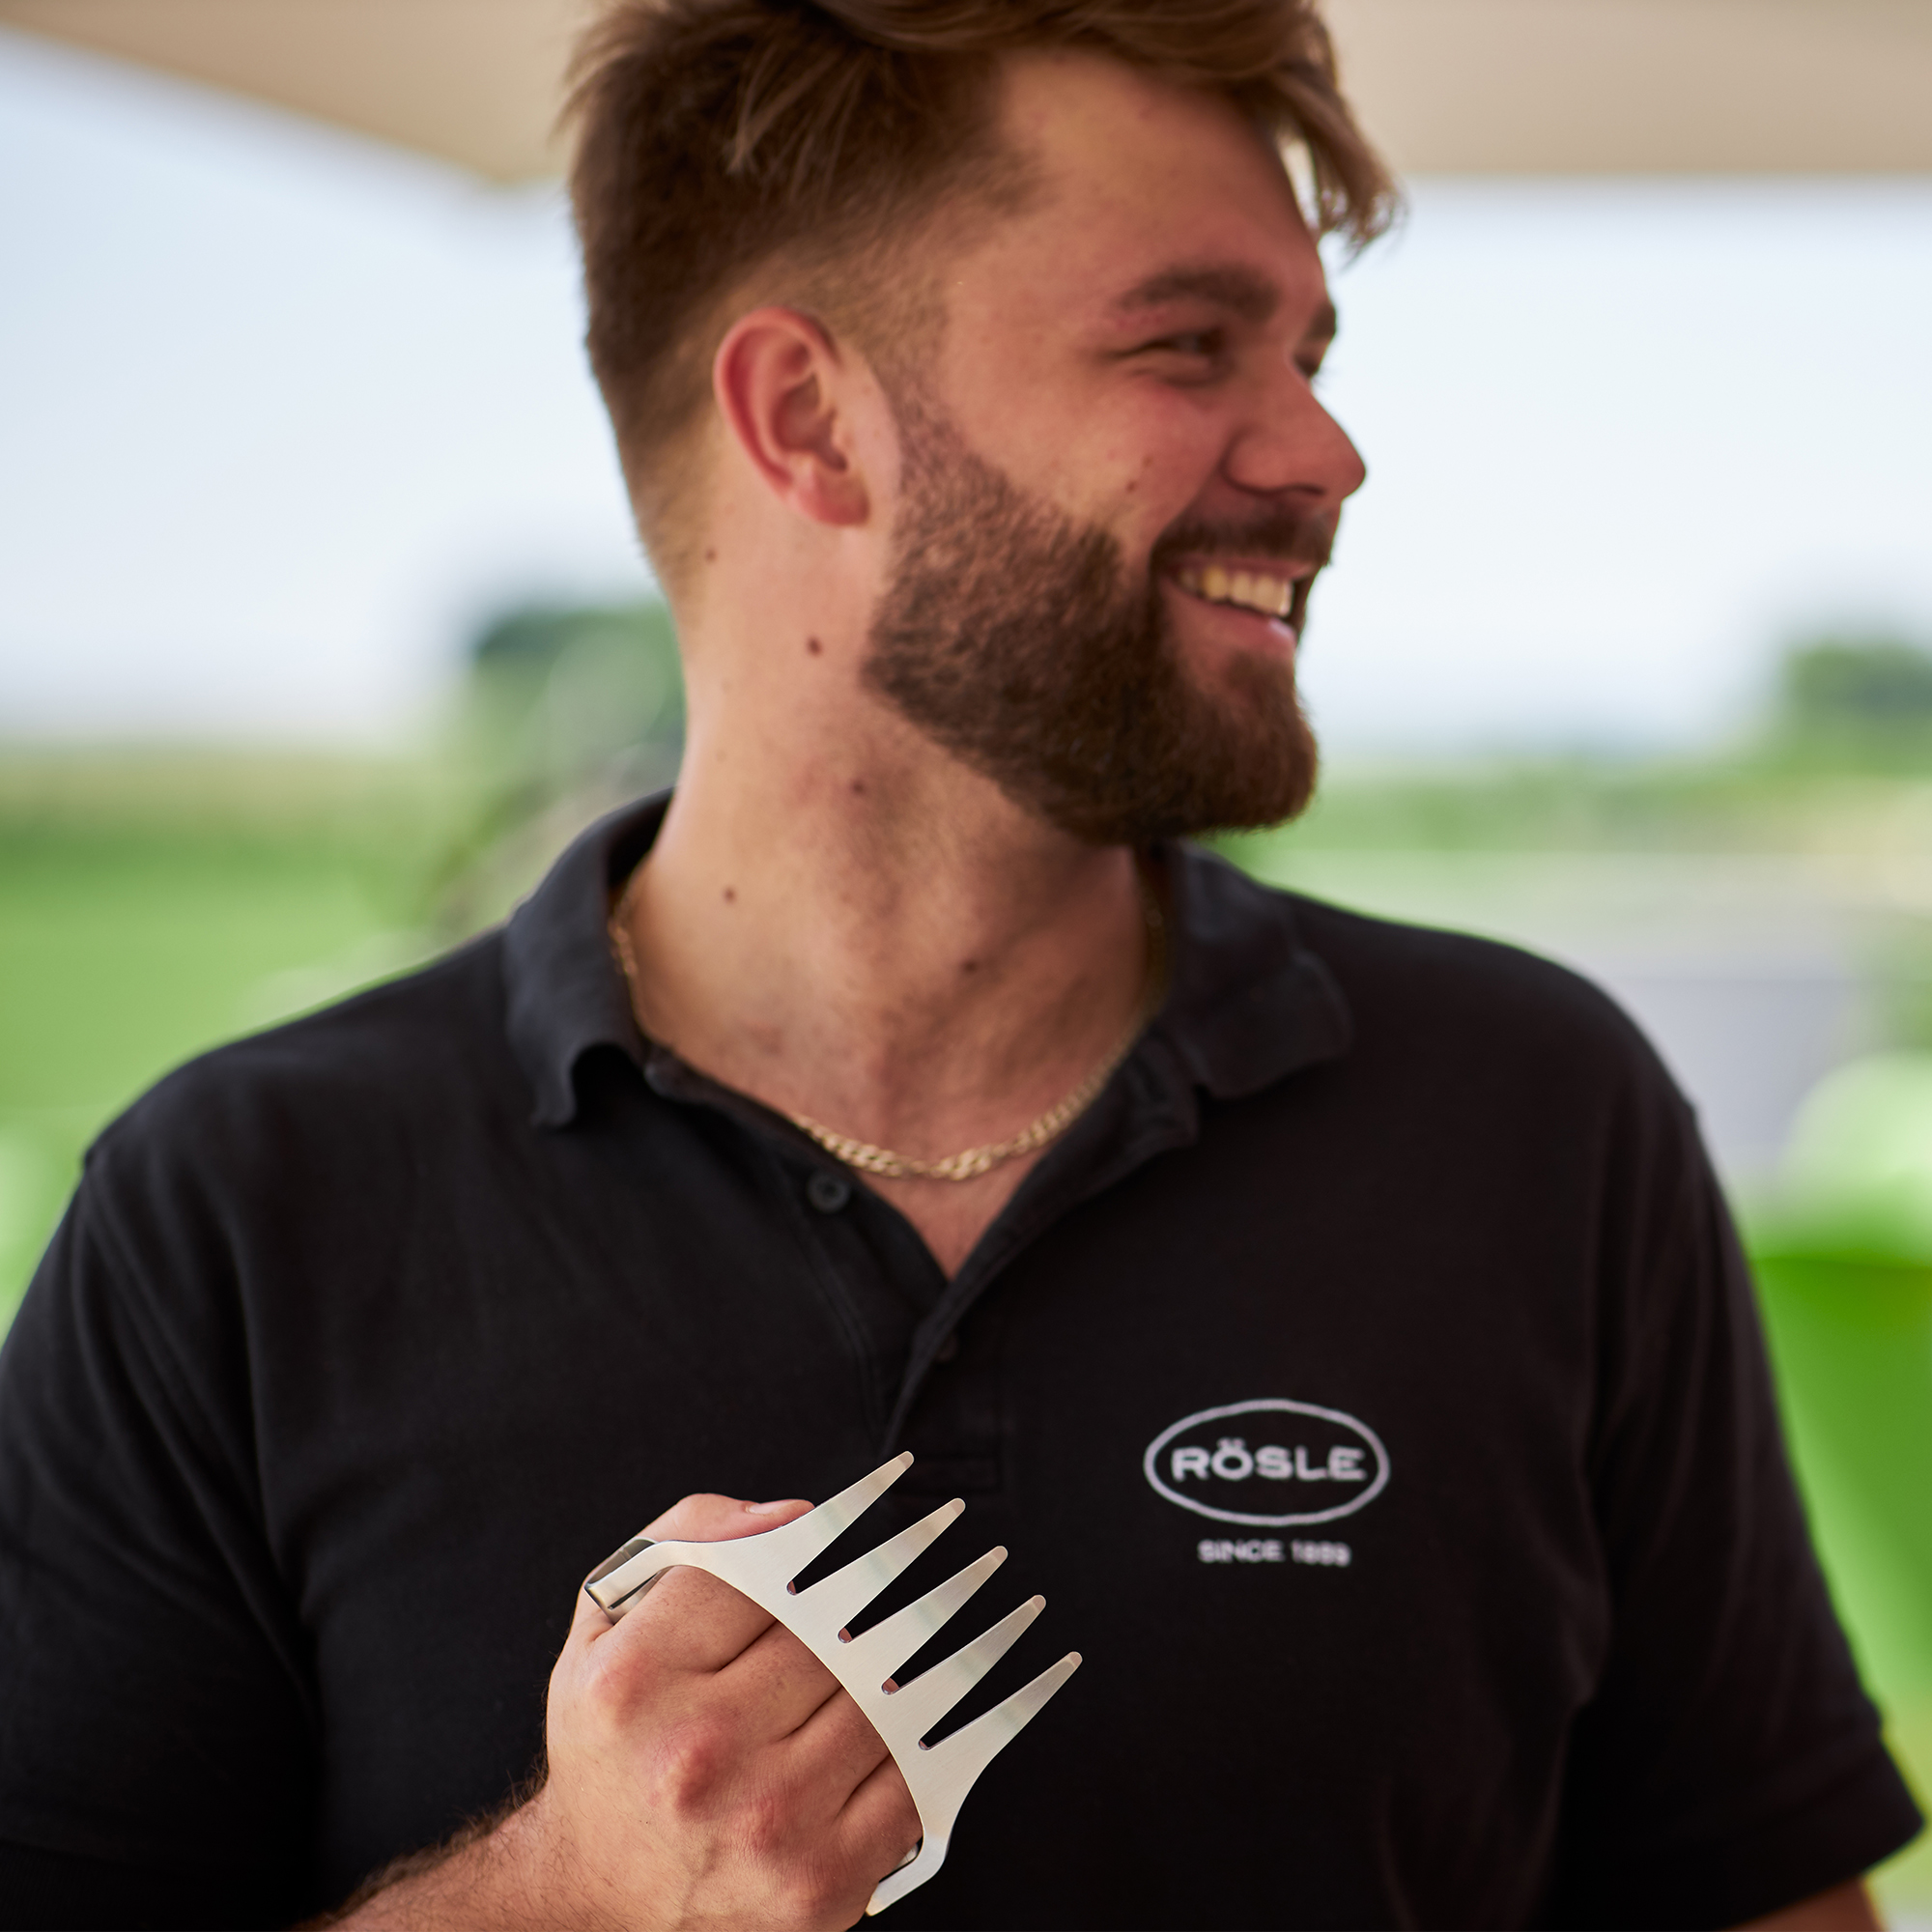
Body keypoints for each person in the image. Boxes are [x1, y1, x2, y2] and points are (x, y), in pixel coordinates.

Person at [0, 1, 1920, 1926]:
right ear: (808, 421)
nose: (1327, 449)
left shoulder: (1533, 1118)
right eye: (1187, 344)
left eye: (1309, 351)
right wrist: (561, 1894)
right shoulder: (233, 1219)